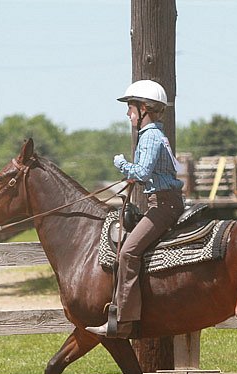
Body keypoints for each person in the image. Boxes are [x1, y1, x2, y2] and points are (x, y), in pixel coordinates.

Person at [86, 80, 185, 338]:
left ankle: (124, 321)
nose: (127, 113)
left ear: (144, 109)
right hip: (163, 201)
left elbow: (141, 173)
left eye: (131, 107)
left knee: (128, 253)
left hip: (163, 205)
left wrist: (121, 164)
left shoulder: (150, 135)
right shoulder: (154, 135)